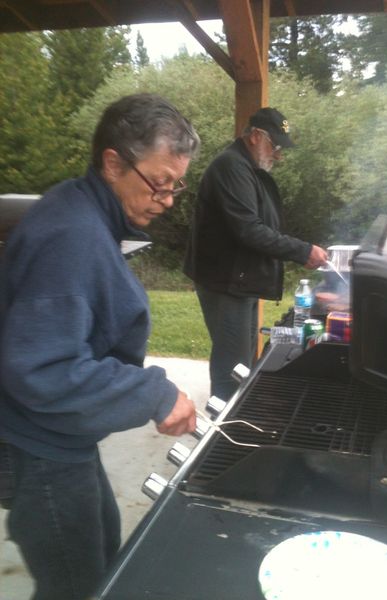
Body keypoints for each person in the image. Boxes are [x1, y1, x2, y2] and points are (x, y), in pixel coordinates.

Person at [0, 93, 199, 600]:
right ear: (113, 163)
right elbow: (41, 368)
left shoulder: (83, 208)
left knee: (102, 557)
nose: (168, 198)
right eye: (160, 182)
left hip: (62, 437)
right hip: (39, 447)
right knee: (78, 585)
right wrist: (153, 393)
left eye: (177, 185)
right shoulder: (71, 235)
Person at [184, 107, 328, 400]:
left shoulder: (247, 168)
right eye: (275, 146)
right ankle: (222, 433)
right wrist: (302, 251)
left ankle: (235, 416)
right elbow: (249, 230)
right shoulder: (232, 167)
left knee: (243, 362)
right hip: (225, 282)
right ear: (256, 137)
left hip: (240, 281)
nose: (279, 155)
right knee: (231, 367)